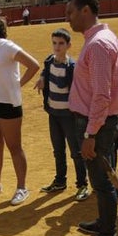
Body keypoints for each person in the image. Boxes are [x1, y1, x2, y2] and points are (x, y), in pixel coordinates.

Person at [66, 0, 118, 236]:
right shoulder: (103, 39)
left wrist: (90, 132)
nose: (68, 18)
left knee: (102, 183)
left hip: (95, 124)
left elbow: (102, 94)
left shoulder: (98, 44)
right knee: (102, 180)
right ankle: (104, 225)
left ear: (86, 10)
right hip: (98, 121)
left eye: (71, 12)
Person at [0, 11, 40, 205]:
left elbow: (33, 65)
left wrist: (17, 85)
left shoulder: (7, 46)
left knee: (14, 147)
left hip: (8, 102)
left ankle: (21, 187)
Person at [35, 29, 89, 200]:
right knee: (58, 149)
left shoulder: (72, 67)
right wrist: (42, 77)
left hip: (68, 115)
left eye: (61, 43)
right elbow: (45, 70)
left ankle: (82, 184)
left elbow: (77, 90)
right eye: (54, 43)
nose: (57, 47)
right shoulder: (49, 61)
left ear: (68, 46)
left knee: (76, 151)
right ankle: (60, 181)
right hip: (53, 113)